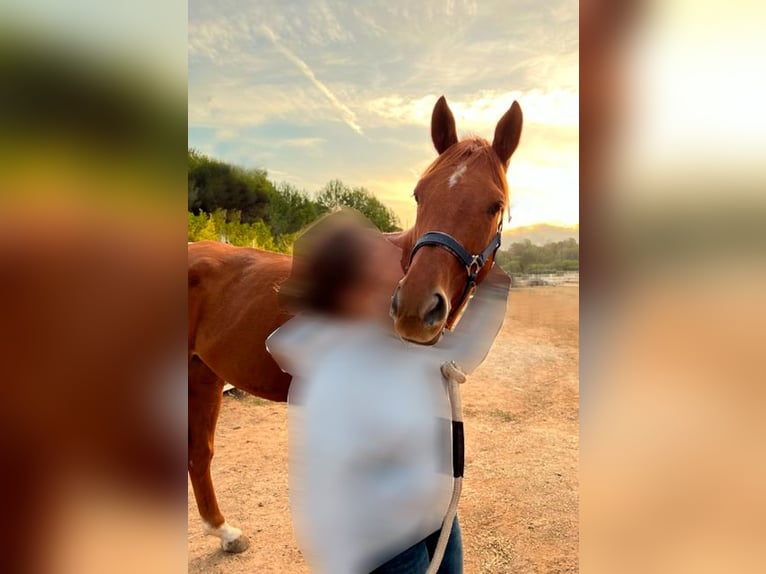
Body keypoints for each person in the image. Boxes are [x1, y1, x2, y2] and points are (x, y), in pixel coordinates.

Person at [267, 210, 510, 574]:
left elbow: (455, 362)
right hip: (383, 550)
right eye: (381, 253)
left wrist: (493, 290)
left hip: (436, 519)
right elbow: (330, 501)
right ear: (353, 288)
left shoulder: (387, 337)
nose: (399, 253)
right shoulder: (334, 372)